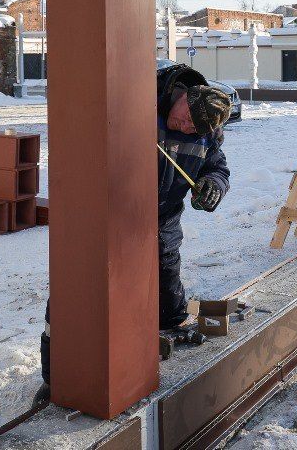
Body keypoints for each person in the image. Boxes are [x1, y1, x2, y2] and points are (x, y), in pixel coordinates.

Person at [34, 63, 232, 405]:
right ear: (184, 96)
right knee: (80, 288)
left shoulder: (205, 132)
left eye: (191, 128)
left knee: (166, 277)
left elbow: (218, 167)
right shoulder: (140, 105)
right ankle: (56, 378)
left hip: (163, 216)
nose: (183, 127)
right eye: (183, 118)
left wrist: (213, 185)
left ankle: (169, 330)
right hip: (108, 214)